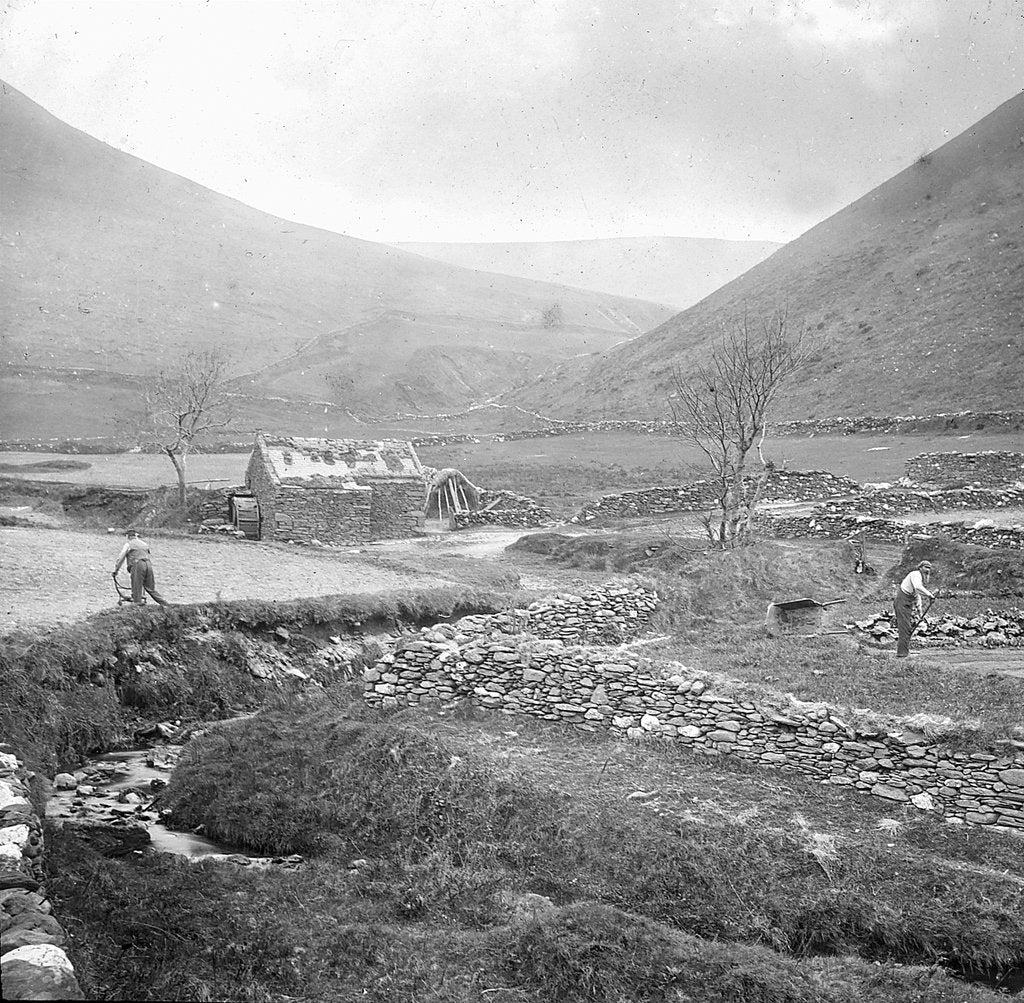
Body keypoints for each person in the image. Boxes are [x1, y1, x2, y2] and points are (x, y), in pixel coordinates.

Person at [113, 529, 169, 607]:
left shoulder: (128, 544)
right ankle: (165, 604)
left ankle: (136, 605)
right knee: (150, 588)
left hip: (137, 565)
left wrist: (116, 570)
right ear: (136, 535)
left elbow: (120, 558)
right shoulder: (144, 544)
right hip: (148, 564)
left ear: (127, 536)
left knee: (136, 588)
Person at [894, 559, 934, 657]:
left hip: (908, 603)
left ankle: (904, 651)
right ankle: (902, 653)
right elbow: (917, 587)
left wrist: (919, 611)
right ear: (920, 567)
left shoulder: (920, 578)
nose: (927, 570)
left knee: (907, 628)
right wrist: (930, 595)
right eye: (926, 567)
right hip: (902, 601)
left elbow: (917, 595)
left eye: (929, 568)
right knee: (904, 628)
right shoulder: (915, 575)